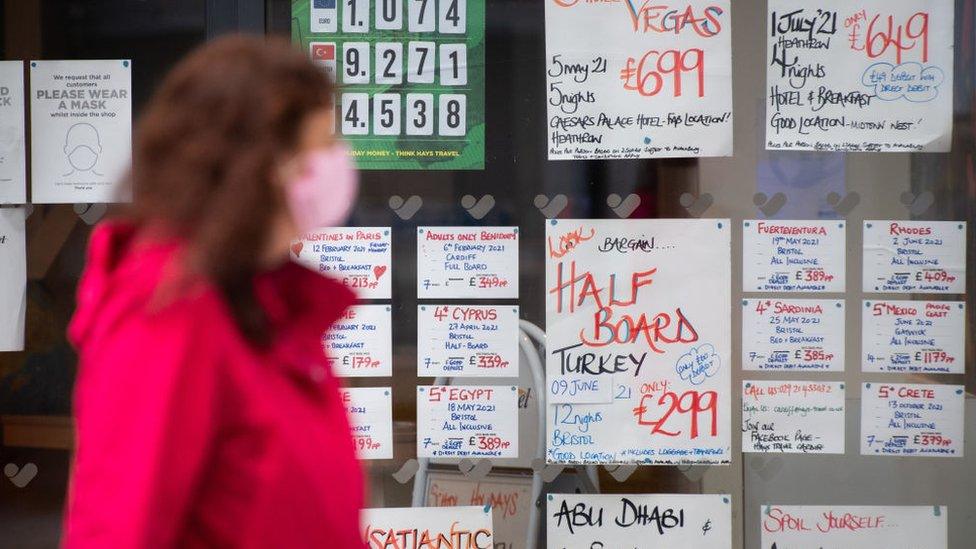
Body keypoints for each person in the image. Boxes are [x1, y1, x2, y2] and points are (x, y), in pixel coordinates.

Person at [61, 36, 363, 548]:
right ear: (266, 163)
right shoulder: (168, 310)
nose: (341, 161)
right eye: (326, 144)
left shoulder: (268, 306)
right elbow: (118, 528)